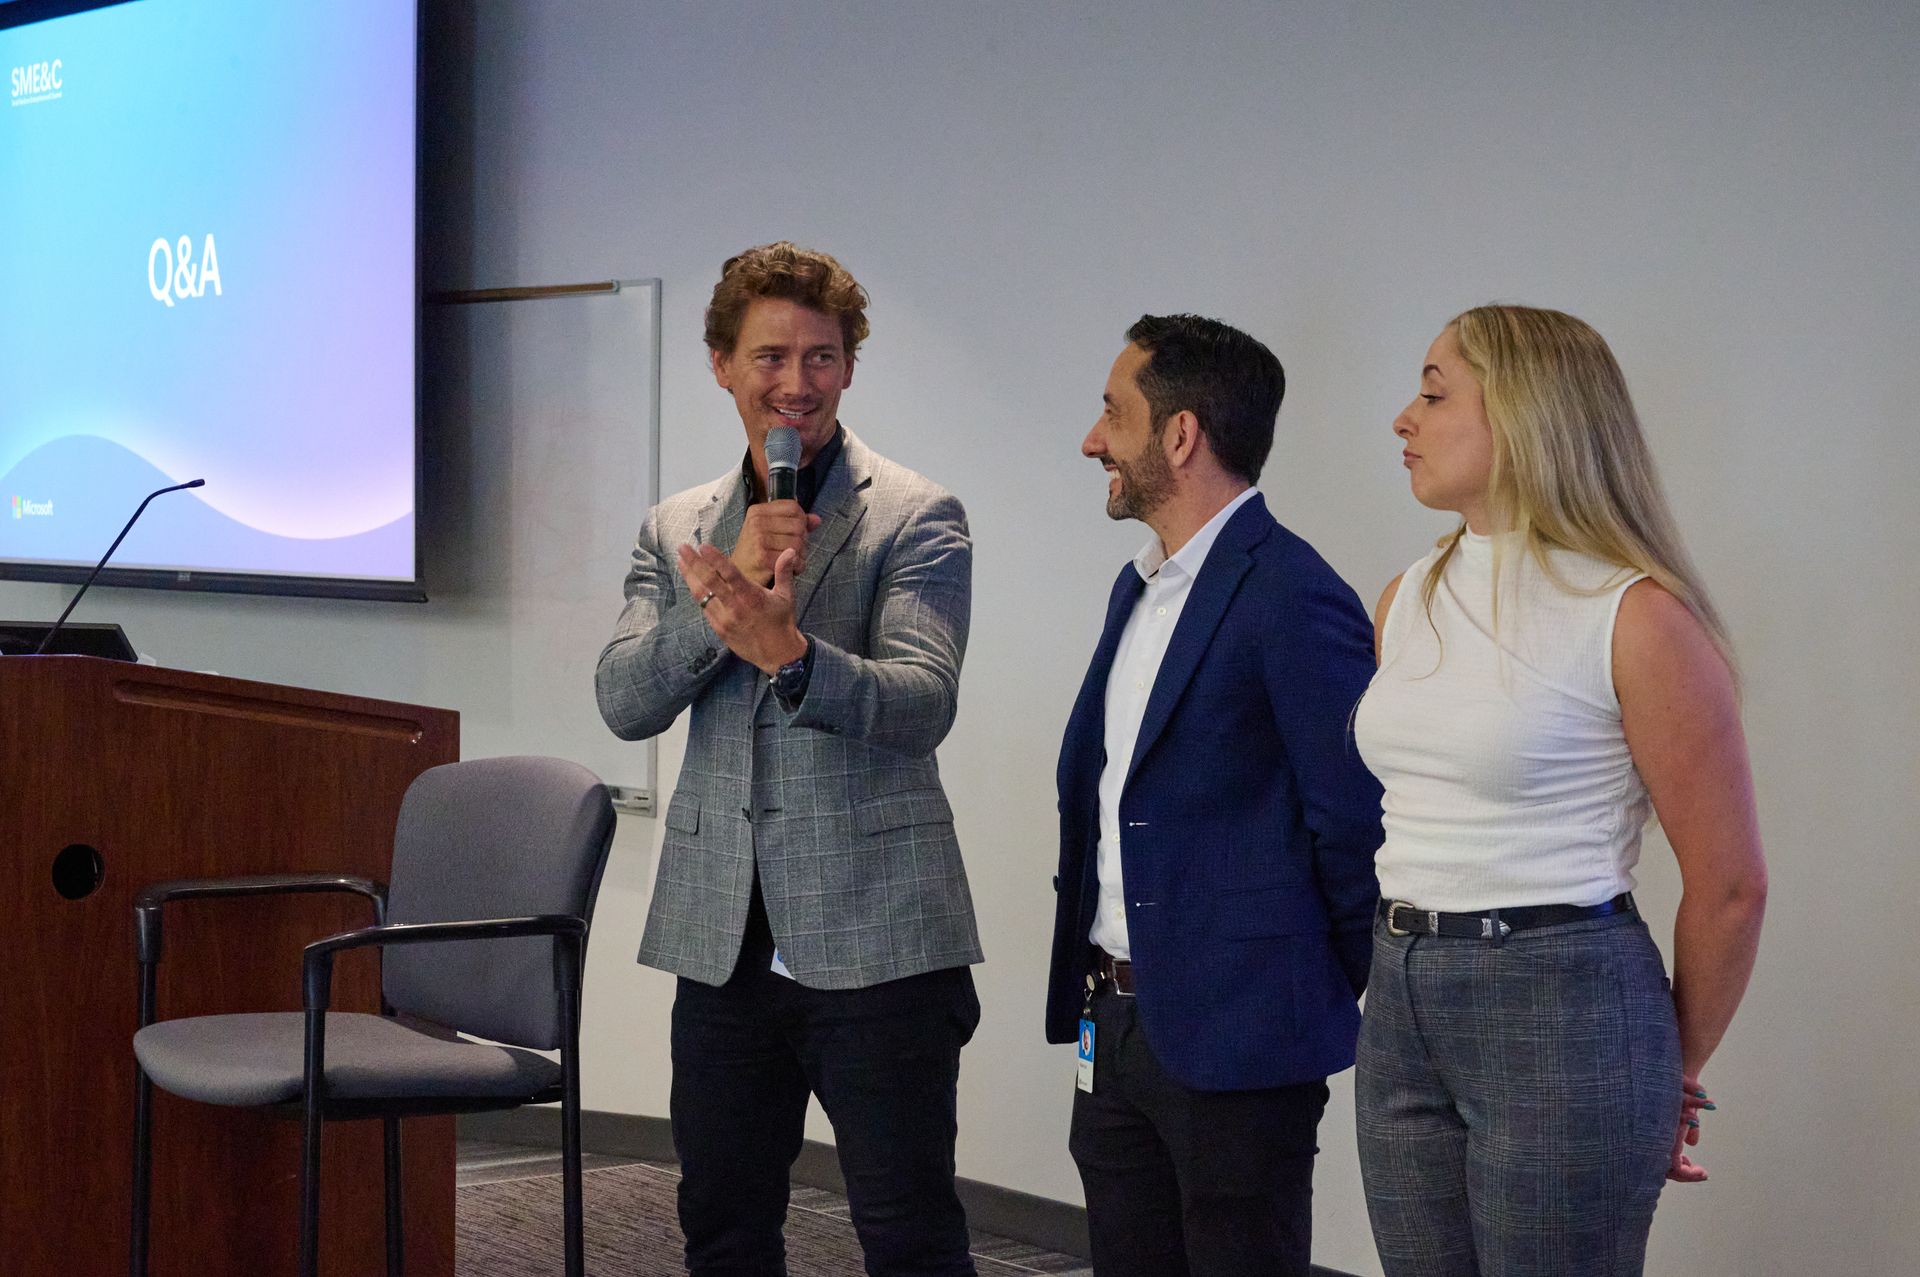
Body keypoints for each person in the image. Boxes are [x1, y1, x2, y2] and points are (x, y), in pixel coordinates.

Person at [1353, 304, 1769, 1276]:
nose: (1403, 417)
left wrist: (1680, 1068)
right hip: (1401, 987)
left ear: (1527, 414)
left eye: (1433, 390)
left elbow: (1730, 885)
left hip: (1560, 997)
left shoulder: (1635, 616)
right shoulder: (1405, 598)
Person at [595, 242, 983, 1277]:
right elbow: (624, 697)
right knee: (722, 1225)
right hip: (722, 938)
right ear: (722, 364)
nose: (797, 382)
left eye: (822, 356)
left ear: (850, 366)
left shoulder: (916, 515)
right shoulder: (677, 527)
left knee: (907, 1232)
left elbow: (923, 700)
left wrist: (796, 657)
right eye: (771, 356)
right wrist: (720, 611)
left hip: (880, 933)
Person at [1046, 314, 1384, 1277]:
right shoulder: (1138, 588)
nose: (1092, 439)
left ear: (1180, 434)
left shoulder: (1291, 591)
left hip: (1242, 1041)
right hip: (1110, 1024)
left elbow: (1355, 821)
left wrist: (1305, 989)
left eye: (1113, 413)